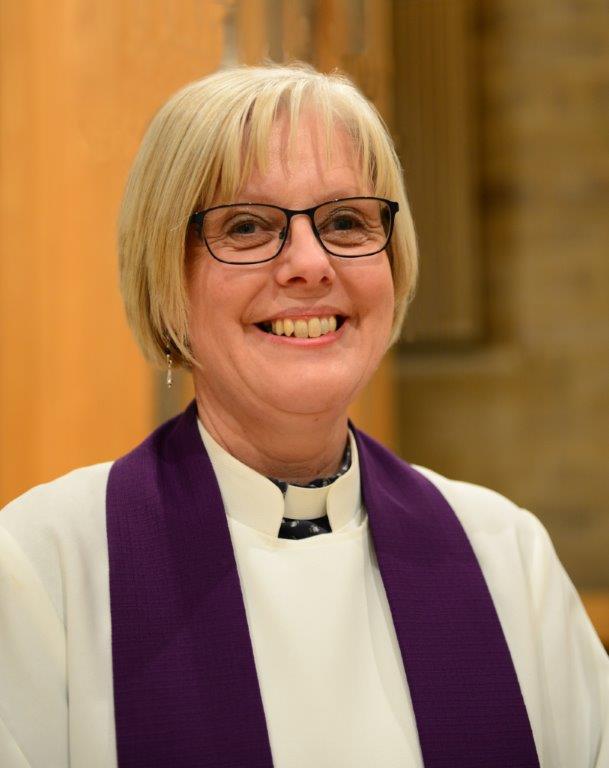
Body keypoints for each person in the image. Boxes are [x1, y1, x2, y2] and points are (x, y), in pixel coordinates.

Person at [0, 62, 607, 768]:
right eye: (248, 226)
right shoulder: (46, 567)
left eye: (346, 221)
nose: (309, 264)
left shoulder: (503, 555)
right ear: (166, 274)